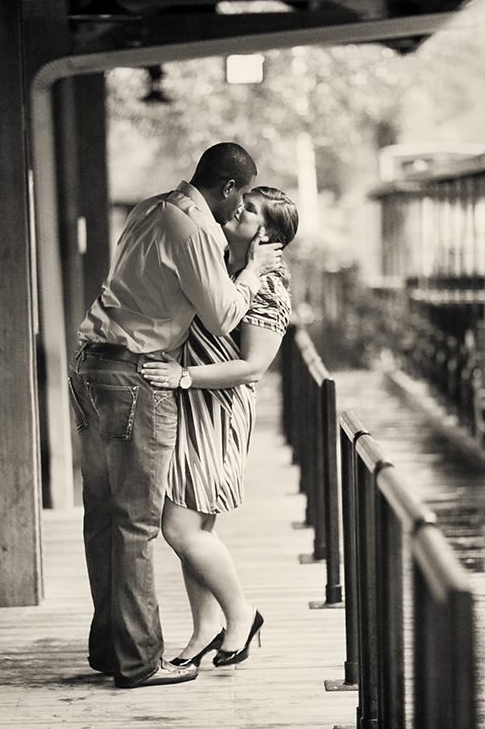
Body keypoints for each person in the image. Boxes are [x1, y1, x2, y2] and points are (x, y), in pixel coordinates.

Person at [69, 143, 282, 689]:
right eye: (239, 202)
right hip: (137, 374)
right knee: (136, 523)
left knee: (106, 517)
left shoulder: (150, 207)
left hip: (94, 364)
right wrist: (254, 270)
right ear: (230, 188)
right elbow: (224, 311)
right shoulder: (196, 231)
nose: (237, 214)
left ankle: (113, 650)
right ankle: (139, 661)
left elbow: (249, 354)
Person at [138, 186, 297, 670]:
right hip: (193, 406)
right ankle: (207, 628)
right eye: (240, 202)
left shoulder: (269, 287)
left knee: (179, 527)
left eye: (249, 210)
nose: (236, 210)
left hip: (216, 410)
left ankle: (241, 615)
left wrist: (182, 376)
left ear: (265, 233)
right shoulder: (231, 268)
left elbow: (252, 368)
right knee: (197, 525)